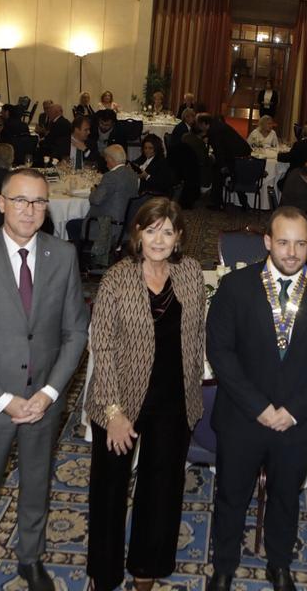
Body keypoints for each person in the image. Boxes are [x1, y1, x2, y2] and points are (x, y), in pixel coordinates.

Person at [0, 169, 90, 591]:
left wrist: (49, 392)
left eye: (39, 202)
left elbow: (76, 332)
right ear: (1, 203)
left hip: (43, 399)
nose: (30, 210)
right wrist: (2, 398)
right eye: (20, 200)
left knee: (36, 482)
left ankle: (31, 556)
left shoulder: (63, 255)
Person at [206, 207, 307, 591]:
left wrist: (294, 411)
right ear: (267, 241)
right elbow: (220, 352)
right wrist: (259, 407)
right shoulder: (235, 286)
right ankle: (224, 565)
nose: (291, 252)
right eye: (283, 242)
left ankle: (279, 563)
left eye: (300, 243)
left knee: (286, 497)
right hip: (243, 417)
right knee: (231, 495)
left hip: (295, 422)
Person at [85, 197, 206, 591]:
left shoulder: (190, 272)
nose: (158, 239)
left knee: (162, 487)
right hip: (120, 399)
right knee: (109, 489)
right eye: (151, 230)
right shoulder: (117, 278)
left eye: (167, 232)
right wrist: (114, 412)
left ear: (179, 237)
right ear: (137, 233)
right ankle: (104, 572)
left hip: (173, 399)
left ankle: (146, 565)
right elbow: (101, 346)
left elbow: (197, 333)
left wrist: (194, 390)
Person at [81, 145, 139, 264]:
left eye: (106, 159)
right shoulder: (132, 174)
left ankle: (82, 262)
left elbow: (96, 200)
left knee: (71, 225)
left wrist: (93, 191)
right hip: (126, 225)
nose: (106, 162)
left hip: (109, 226)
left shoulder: (110, 176)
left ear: (111, 159)